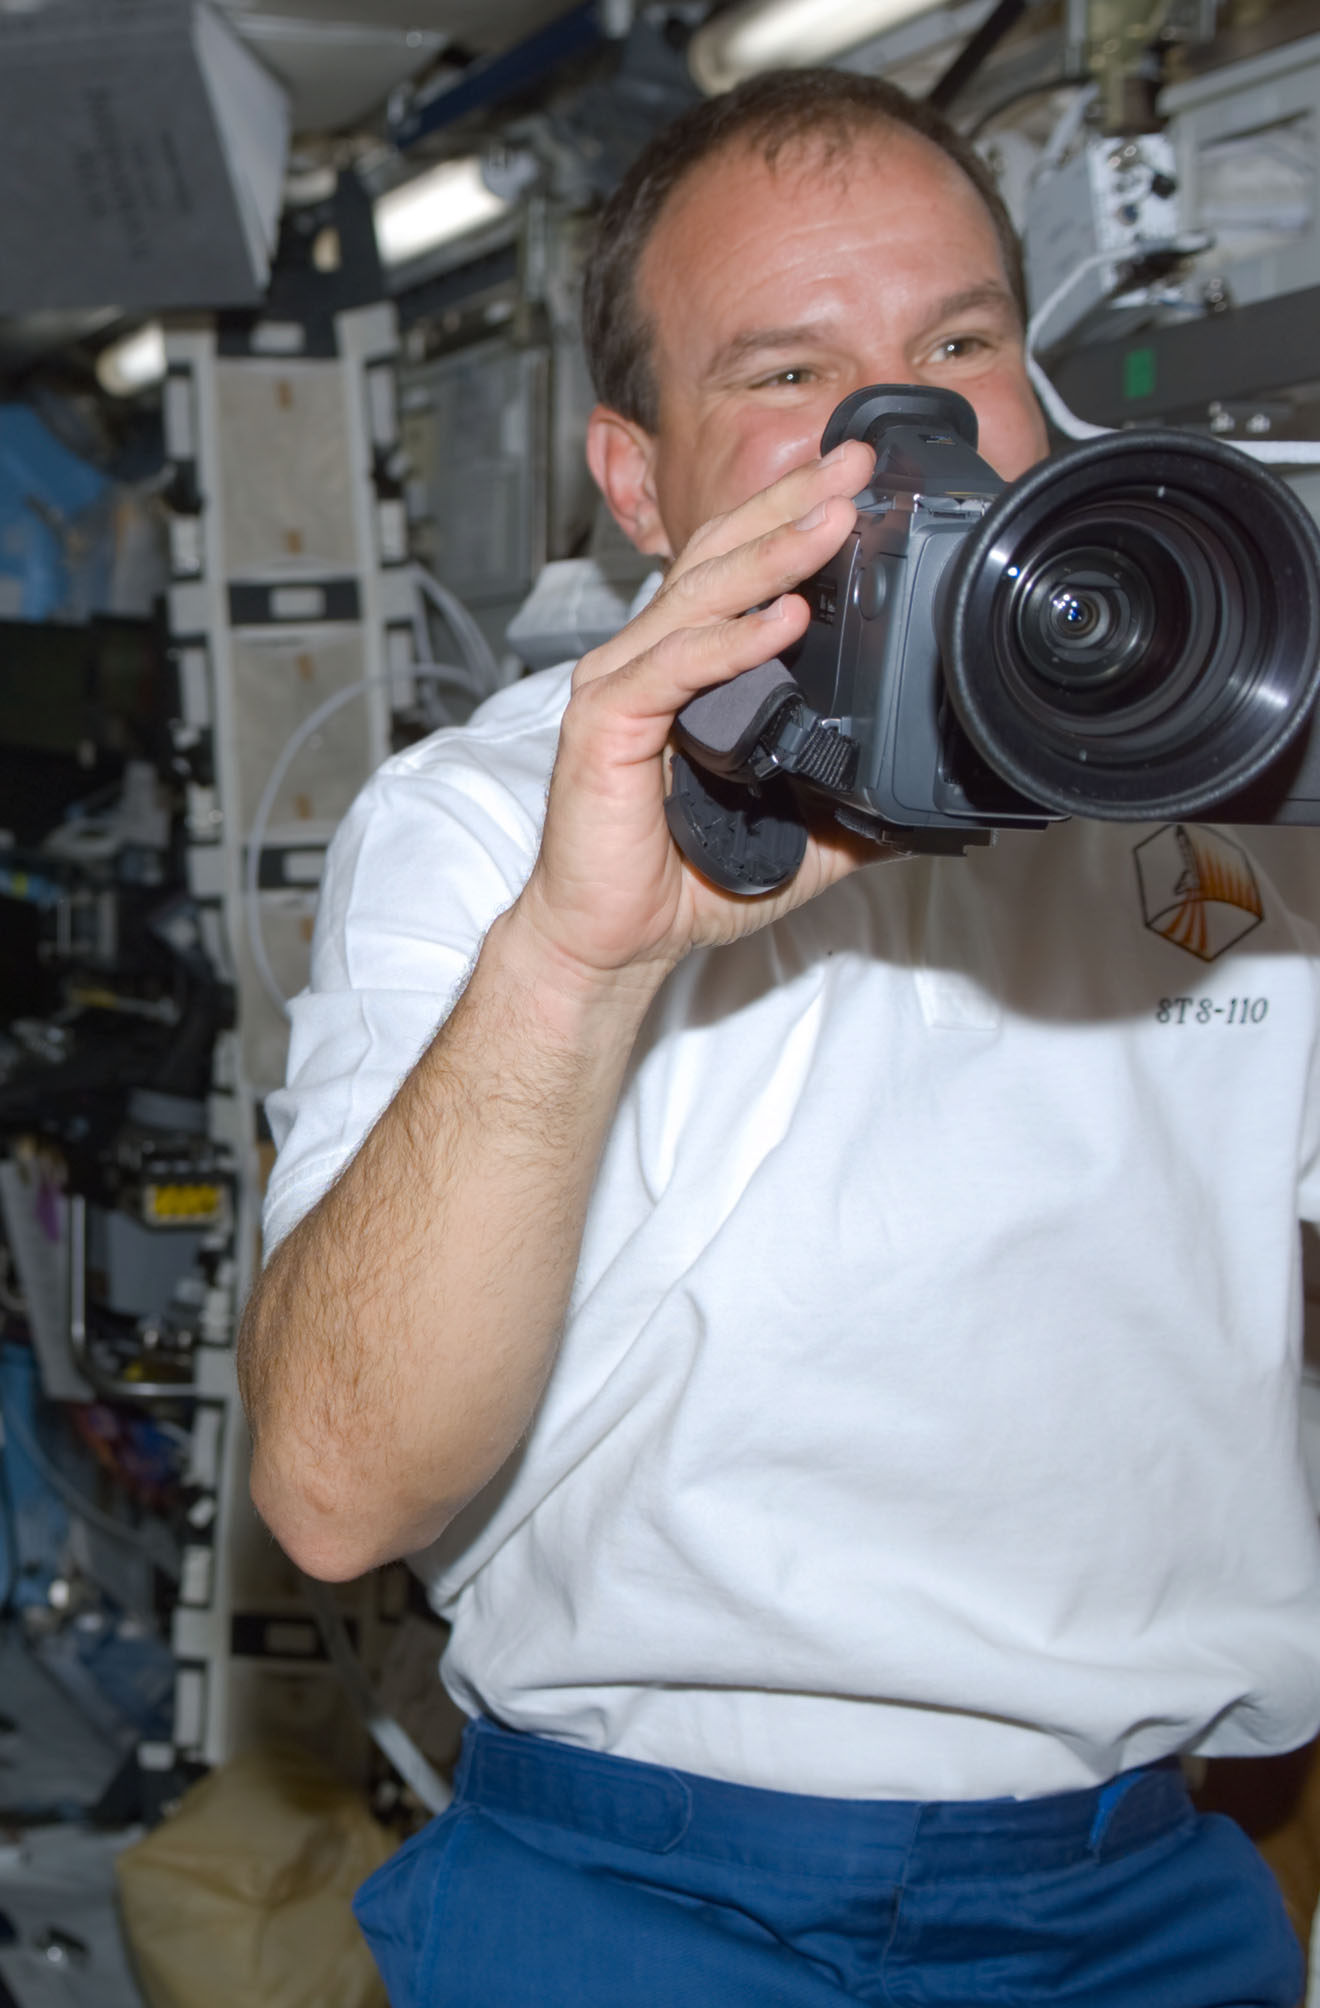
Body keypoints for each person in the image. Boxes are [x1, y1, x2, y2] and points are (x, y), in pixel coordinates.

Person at [240, 69, 1320, 2003]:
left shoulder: (1223, 766)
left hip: (1142, 1895)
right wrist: (581, 960)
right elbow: (334, 1491)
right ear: (639, 481)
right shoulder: (487, 828)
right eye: (785, 373)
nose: (901, 434)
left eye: (959, 344)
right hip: (641, 1894)